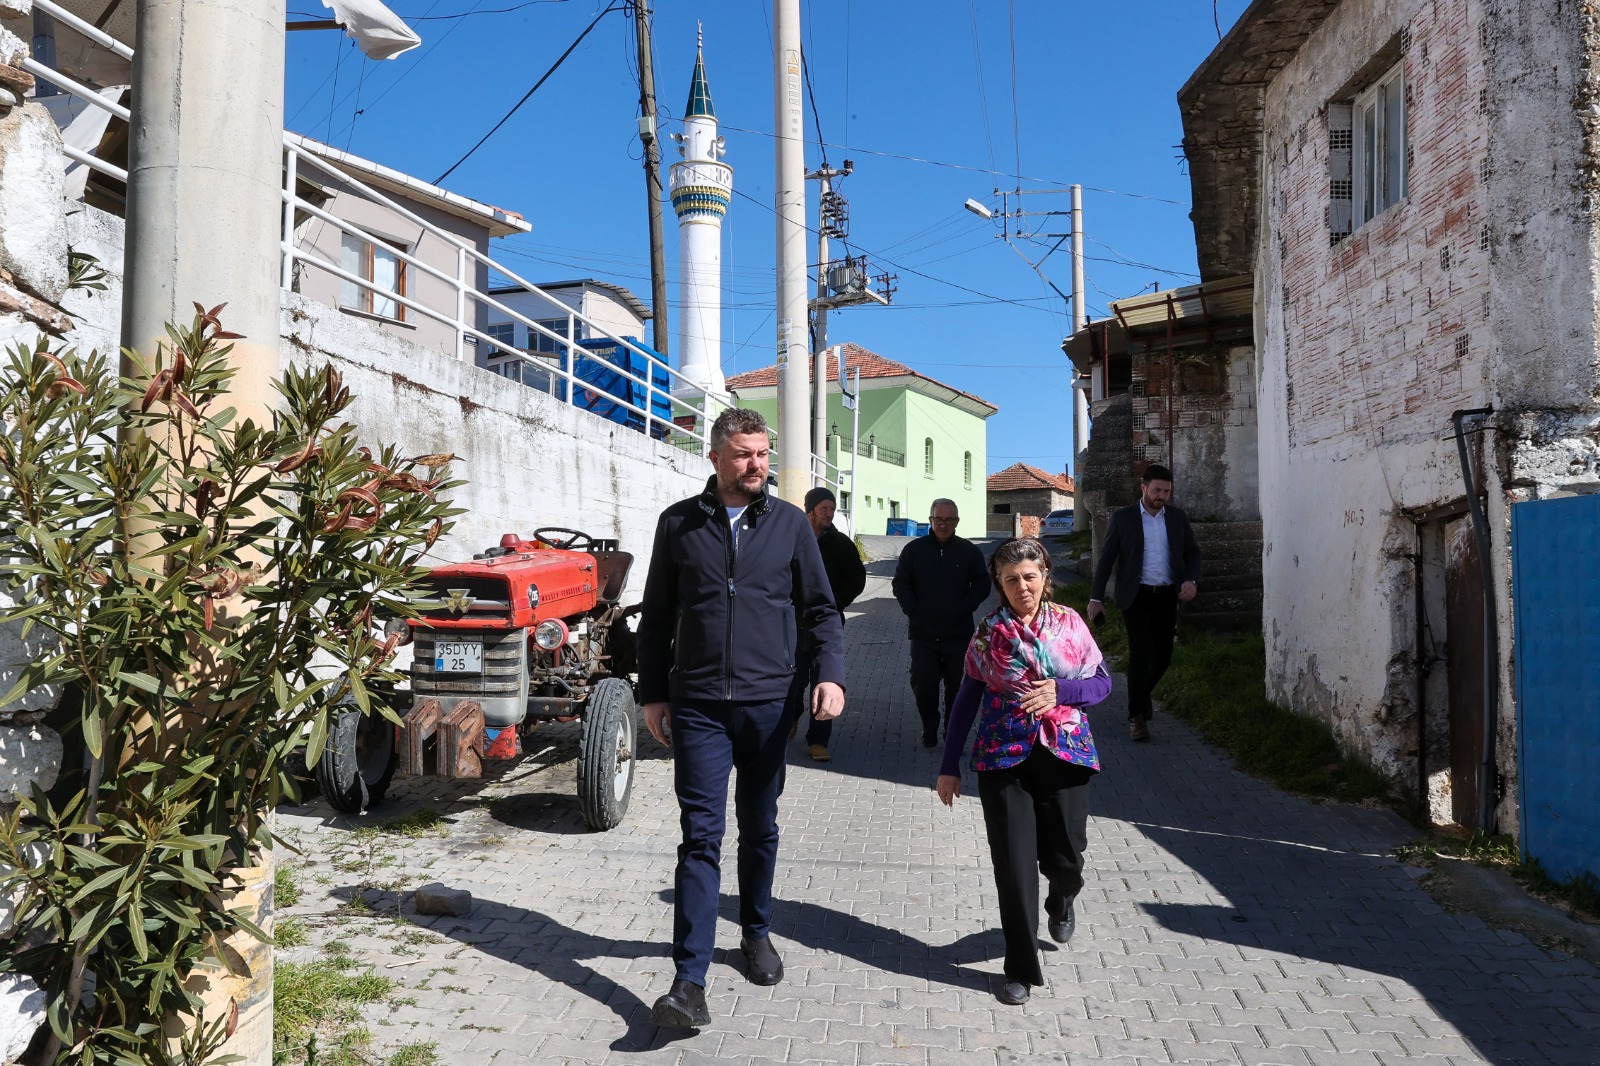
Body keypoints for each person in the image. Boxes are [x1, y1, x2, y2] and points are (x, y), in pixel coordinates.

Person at [636, 407, 846, 1030]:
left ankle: (755, 931)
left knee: (760, 825)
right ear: (715, 458)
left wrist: (829, 673)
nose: (756, 465)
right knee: (701, 836)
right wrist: (652, 693)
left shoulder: (787, 525)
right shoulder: (678, 524)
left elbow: (821, 610)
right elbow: (655, 616)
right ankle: (688, 982)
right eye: (744, 454)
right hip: (698, 704)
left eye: (763, 453)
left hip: (769, 702)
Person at [936, 538, 1112, 1006]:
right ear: (1000, 584)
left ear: (1045, 577)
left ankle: (1063, 895)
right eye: (1011, 579)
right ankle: (1019, 967)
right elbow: (967, 698)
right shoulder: (988, 632)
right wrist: (948, 764)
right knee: (1013, 867)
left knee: (1067, 856)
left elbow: (1102, 684)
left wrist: (1062, 693)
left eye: (1029, 577)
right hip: (1002, 757)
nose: (1021, 587)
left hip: (1065, 754)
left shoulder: (1071, 624)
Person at [1086, 463, 1201, 741]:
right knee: (1140, 655)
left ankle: (1141, 695)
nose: (1161, 495)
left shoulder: (1176, 518)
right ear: (1143, 488)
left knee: (1163, 658)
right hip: (1135, 596)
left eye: (1166, 491)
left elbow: (1192, 552)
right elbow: (1106, 560)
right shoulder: (1123, 518)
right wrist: (1096, 597)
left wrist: (1191, 581)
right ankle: (1136, 717)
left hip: (1166, 595)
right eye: (1157, 490)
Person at [892, 499, 989, 748]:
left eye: (949, 520)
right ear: (931, 520)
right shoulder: (914, 551)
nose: (943, 525)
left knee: (957, 688)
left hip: (958, 633)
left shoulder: (968, 551)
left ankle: (952, 731)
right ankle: (930, 726)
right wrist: (912, 609)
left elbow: (982, 583)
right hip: (923, 633)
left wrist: (966, 606)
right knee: (924, 683)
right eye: (938, 519)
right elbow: (900, 583)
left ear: (956, 522)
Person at [788, 486, 867, 762]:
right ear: (810, 510)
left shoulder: (842, 545)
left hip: (827, 625)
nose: (829, 514)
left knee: (825, 679)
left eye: (832, 509)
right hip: (793, 625)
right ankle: (793, 715)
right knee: (793, 680)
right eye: (824, 509)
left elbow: (858, 579)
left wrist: (836, 603)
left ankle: (818, 740)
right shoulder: (793, 539)